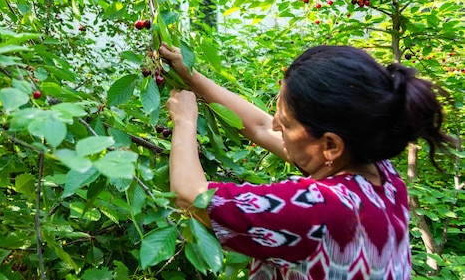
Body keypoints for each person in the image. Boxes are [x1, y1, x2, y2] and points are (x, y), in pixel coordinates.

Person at [159, 42, 454, 280]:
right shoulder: (383, 177)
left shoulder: (317, 210)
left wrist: (185, 120)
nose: (276, 126)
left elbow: (191, 196)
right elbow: (261, 127)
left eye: (286, 123)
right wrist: (191, 76)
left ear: (330, 146)